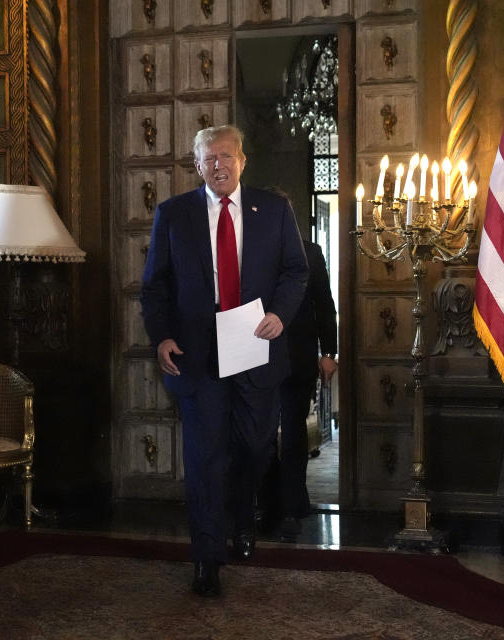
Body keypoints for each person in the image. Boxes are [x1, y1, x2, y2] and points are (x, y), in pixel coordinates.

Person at [140, 125, 309, 598]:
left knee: (256, 447)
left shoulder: (274, 211)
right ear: (197, 166)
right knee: (205, 457)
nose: (219, 164)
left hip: (256, 344)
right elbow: (154, 286)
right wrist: (162, 337)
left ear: (242, 160)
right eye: (209, 158)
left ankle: (242, 516)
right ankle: (207, 558)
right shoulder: (174, 215)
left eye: (227, 156)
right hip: (198, 354)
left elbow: (297, 271)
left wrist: (279, 313)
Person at [269, 238, 338, 541]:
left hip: (298, 357)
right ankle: (270, 503)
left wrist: (329, 353)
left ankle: (290, 509)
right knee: (262, 434)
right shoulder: (253, 245)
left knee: (295, 436)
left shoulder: (310, 252)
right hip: (258, 356)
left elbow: (324, 303)